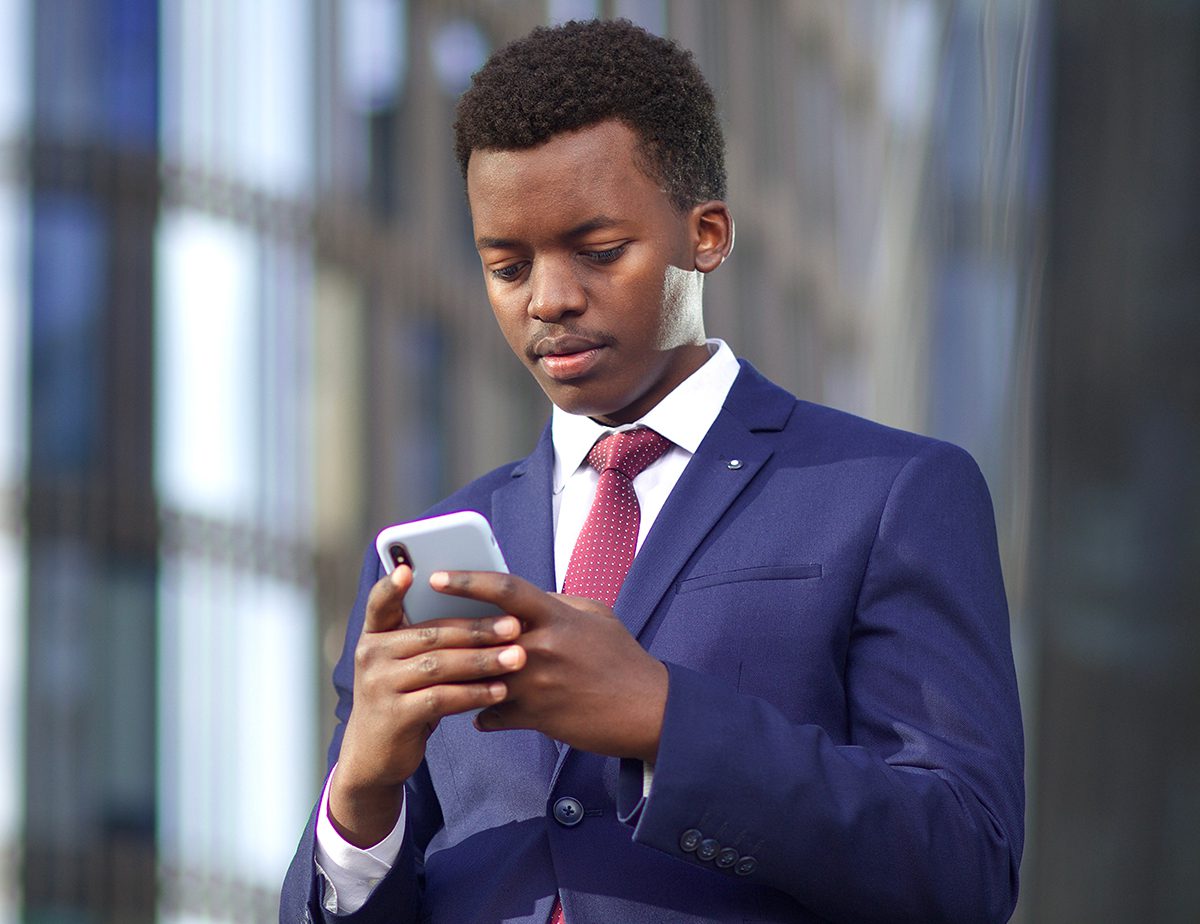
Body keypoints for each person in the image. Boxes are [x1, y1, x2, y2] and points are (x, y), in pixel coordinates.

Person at [281, 18, 1023, 924]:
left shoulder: (893, 493)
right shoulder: (420, 562)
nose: (548, 299)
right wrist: (361, 796)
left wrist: (668, 721)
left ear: (706, 235)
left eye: (598, 252)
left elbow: (966, 866)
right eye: (507, 266)